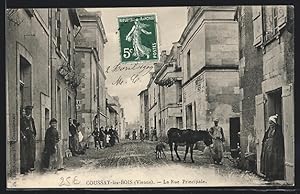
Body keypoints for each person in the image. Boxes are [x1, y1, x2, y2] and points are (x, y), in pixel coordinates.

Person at [261, 114, 284, 181]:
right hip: (268, 147)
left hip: (274, 148)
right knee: (267, 160)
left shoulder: (278, 129)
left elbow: (279, 139)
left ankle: (273, 176)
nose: (270, 124)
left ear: (274, 123)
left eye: (271, 123)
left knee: (273, 161)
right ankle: (267, 175)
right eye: (269, 123)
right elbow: (266, 137)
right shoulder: (269, 129)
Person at [23, 105, 36, 171]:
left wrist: (34, 135)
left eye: (30, 110)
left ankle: (31, 166)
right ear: (26, 111)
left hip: (31, 137)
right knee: (26, 152)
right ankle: (26, 167)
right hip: (26, 137)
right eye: (28, 110)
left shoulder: (31, 119)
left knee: (32, 152)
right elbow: (22, 129)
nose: (30, 111)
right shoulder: (23, 119)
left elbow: (33, 127)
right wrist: (24, 136)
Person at [20, 108, 29, 174]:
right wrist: (23, 136)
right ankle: (23, 169)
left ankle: (26, 168)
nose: (24, 112)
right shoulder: (20, 120)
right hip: (23, 138)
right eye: (23, 111)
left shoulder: (25, 119)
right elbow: (20, 129)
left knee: (26, 153)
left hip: (27, 138)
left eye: (24, 111)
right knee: (23, 154)